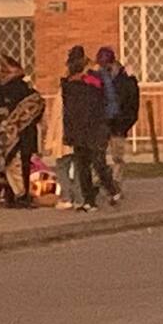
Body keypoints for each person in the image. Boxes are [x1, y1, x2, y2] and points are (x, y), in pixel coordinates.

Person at [61, 45, 120, 212]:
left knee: (96, 162)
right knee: (83, 166)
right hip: (82, 129)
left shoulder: (92, 80)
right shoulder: (70, 85)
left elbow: (103, 100)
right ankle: (90, 200)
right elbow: (68, 111)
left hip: (94, 128)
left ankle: (109, 189)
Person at [0, 56, 45, 207]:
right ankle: (20, 196)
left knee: (11, 164)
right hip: (17, 134)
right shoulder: (16, 87)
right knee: (17, 165)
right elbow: (37, 103)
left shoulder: (2, 87)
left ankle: (13, 196)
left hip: (8, 133)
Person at [95, 46, 140, 187]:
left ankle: (116, 182)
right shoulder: (98, 77)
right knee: (98, 154)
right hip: (102, 121)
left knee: (117, 156)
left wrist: (127, 121)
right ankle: (102, 179)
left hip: (118, 122)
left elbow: (132, 101)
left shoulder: (125, 79)